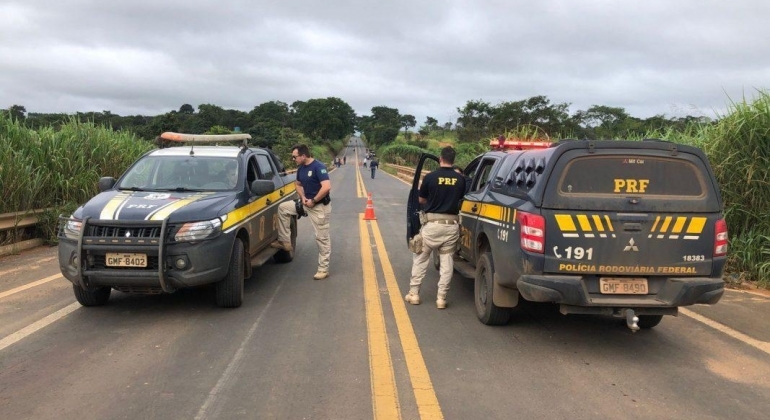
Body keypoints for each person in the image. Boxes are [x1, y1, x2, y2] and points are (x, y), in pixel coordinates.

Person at [405, 146, 466, 309]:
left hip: (432, 226)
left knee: (420, 258)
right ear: (453, 160)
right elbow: (461, 200)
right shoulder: (461, 179)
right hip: (452, 226)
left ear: (440, 159)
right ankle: (441, 298)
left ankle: (414, 294)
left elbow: (422, 199)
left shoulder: (430, 177)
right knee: (447, 263)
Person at [272, 144, 332, 280]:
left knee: (322, 238)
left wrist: (314, 200)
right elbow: (298, 184)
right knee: (283, 208)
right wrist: (303, 198)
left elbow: (327, 187)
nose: (293, 159)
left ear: (303, 156)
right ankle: (285, 241)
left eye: (295, 157)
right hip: (305, 203)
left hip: (319, 207)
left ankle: (323, 269)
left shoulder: (318, 167)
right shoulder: (301, 169)